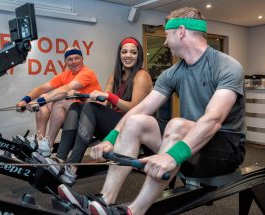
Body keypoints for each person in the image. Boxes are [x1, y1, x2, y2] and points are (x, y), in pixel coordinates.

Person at [57, 7, 246, 215]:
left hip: (225, 151)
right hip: (191, 149)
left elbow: (214, 119)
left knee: (177, 124)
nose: (165, 42)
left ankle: (134, 212)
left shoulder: (226, 66)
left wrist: (173, 155)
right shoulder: (172, 73)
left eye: (167, 35)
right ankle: (105, 200)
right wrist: (111, 138)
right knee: (135, 121)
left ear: (181, 31)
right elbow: (141, 108)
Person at [35, 37, 153, 184]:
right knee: (76, 106)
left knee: (88, 107)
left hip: (132, 128)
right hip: (114, 126)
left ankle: (72, 167)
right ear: (119, 55)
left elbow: (134, 108)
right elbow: (101, 104)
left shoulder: (142, 75)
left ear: (138, 55)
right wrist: (81, 98)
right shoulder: (115, 76)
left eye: (133, 52)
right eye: (124, 52)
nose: (128, 55)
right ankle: (59, 159)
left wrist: (109, 96)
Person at [16, 47, 101, 157]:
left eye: (77, 58)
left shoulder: (87, 73)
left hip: (91, 118)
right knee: (44, 98)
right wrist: (25, 100)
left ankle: (49, 145)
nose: (74, 62)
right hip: (75, 114)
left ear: (82, 59)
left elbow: (66, 89)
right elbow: (43, 88)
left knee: (58, 100)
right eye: (70, 59)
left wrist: (40, 101)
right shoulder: (65, 75)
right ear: (65, 62)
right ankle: (39, 140)